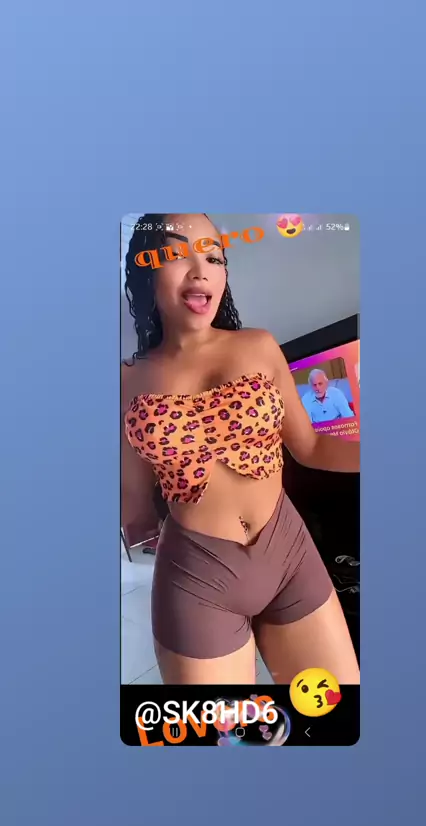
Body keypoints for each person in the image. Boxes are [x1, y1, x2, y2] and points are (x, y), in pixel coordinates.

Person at [121, 213, 360, 685]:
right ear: (145, 271)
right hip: (196, 575)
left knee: (336, 713)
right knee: (225, 729)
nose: (200, 270)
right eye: (176, 255)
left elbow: (310, 446)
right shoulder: (126, 380)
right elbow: (133, 502)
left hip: (289, 553)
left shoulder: (259, 346)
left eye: (214, 257)